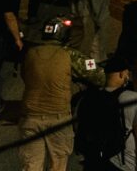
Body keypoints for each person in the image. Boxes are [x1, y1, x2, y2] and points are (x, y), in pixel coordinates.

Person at [18, 16, 102, 170]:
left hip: (30, 118)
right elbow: (96, 74)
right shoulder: (70, 54)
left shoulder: (30, 53)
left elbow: (26, 76)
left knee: (31, 166)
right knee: (57, 164)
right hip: (58, 119)